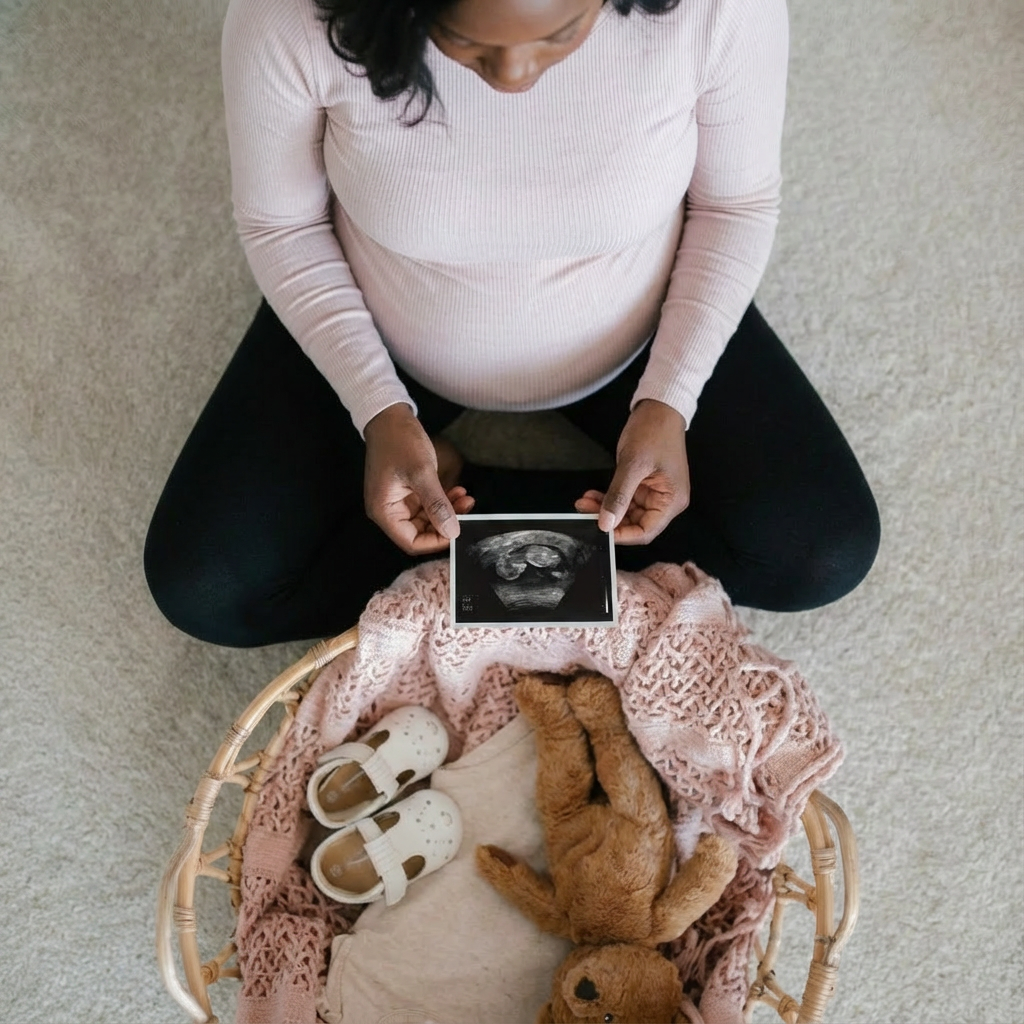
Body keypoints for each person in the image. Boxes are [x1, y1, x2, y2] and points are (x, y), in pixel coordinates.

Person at [144, 0, 880, 647]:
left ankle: (464, 518)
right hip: (384, 324)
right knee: (208, 588)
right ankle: (466, 495)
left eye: (561, 34)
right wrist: (377, 409)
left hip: (638, 326)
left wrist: (669, 400)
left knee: (820, 552)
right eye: (467, 45)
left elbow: (735, 206)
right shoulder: (292, 16)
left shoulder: (715, 8)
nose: (516, 77)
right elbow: (282, 225)